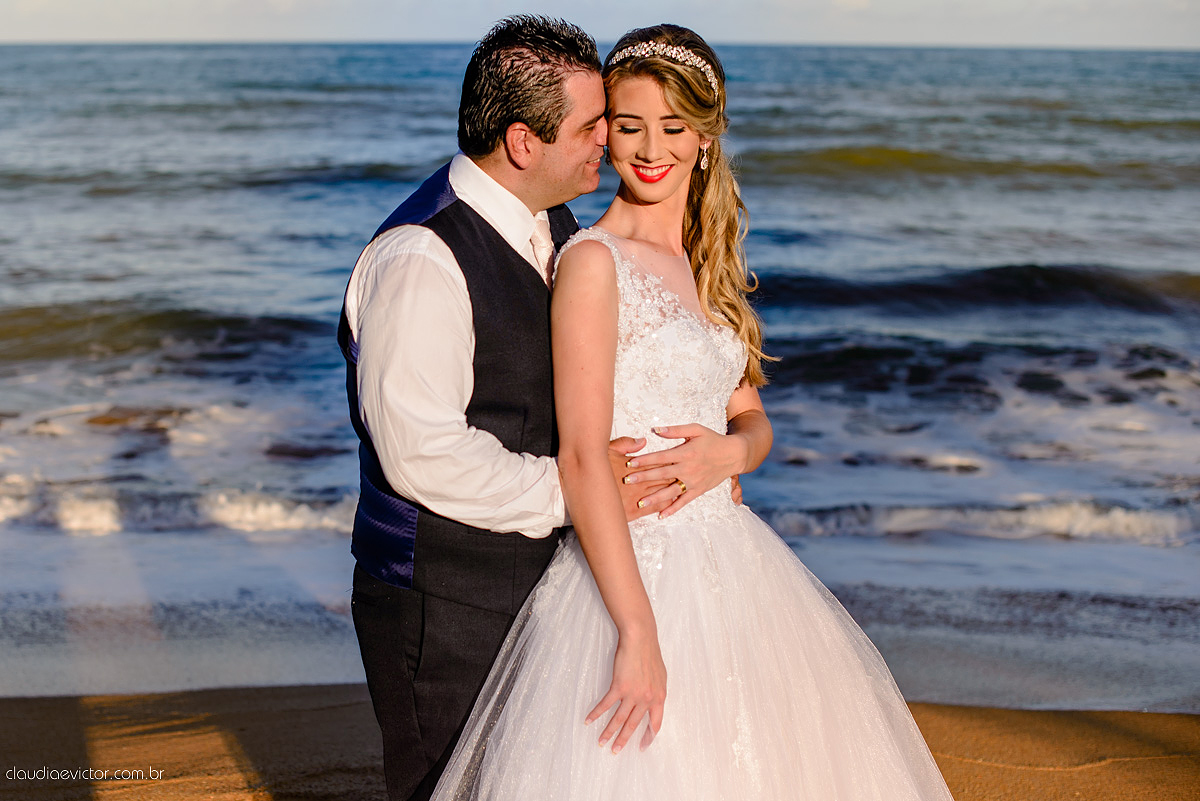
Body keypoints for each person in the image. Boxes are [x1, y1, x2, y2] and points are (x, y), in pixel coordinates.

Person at [428, 25, 956, 800]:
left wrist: (729, 456)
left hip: (736, 566)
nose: (650, 149)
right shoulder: (591, 262)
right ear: (605, 134)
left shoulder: (706, 264)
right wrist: (638, 632)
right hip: (632, 573)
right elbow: (580, 458)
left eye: (674, 128)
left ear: (705, 138)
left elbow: (753, 421)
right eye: (630, 126)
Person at [337, 16, 721, 801]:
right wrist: (576, 490)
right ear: (522, 141)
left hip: (541, 577)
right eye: (594, 127)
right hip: (441, 599)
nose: (608, 145)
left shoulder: (556, 225)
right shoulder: (422, 257)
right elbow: (421, 453)